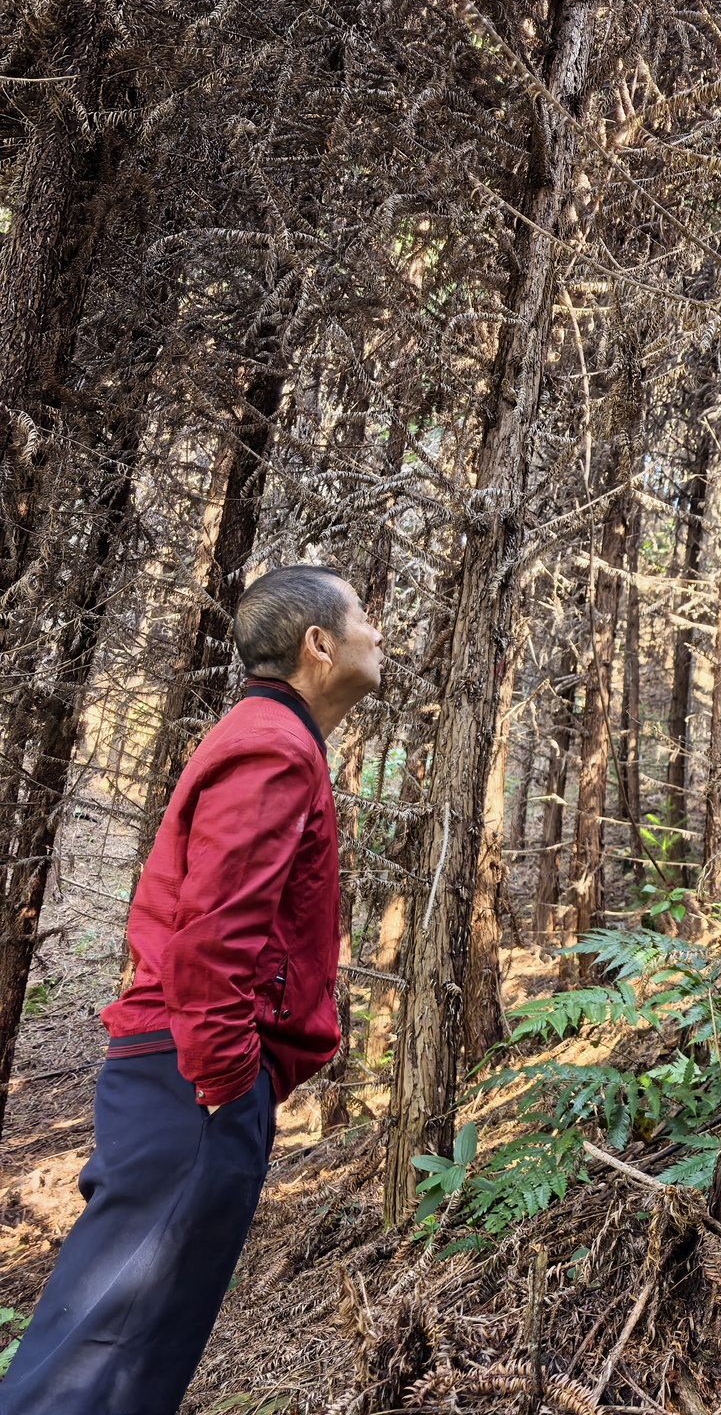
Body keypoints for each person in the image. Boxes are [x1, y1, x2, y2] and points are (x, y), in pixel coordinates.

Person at [0, 566, 384, 1415]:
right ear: (318, 644)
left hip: (185, 1073)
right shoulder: (272, 746)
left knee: (116, 1338)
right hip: (193, 1077)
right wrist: (223, 1080)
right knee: (106, 1357)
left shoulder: (270, 737)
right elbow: (213, 932)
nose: (378, 631)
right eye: (364, 615)